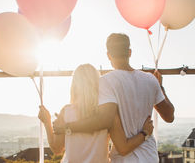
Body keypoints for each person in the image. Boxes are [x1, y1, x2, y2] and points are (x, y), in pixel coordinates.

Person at [53, 33, 175, 163]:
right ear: (129, 52)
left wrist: (67, 127)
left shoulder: (106, 82)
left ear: (108, 55)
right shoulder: (150, 79)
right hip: (149, 156)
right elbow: (169, 116)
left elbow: (104, 120)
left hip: (124, 158)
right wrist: (160, 86)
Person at [38, 63, 154, 163]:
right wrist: (145, 133)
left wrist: (47, 121)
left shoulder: (66, 112)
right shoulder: (106, 114)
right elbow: (123, 148)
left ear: (74, 85)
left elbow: (57, 149)